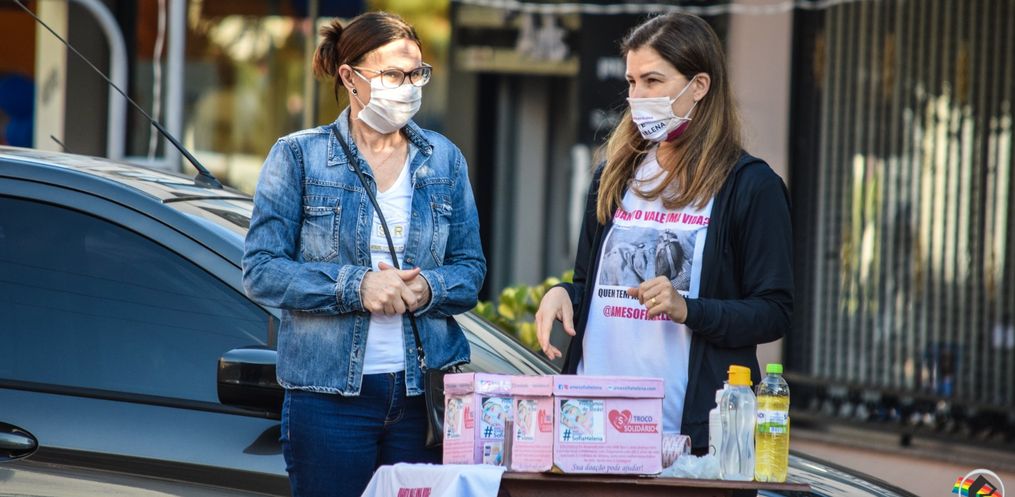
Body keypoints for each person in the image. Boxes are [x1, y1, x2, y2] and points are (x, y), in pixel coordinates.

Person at [242, 11, 485, 497]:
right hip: (328, 398)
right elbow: (262, 271)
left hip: (422, 397)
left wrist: (428, 288)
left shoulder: (444, 159)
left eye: (416, 74)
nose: (408, 87)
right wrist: (358, 286)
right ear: (350, 77)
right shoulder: (299, 156)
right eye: (393, 74)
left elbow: (470, 270)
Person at [535, 12, 793, 455]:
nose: (637, 96)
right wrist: (564, 294)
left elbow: (774, 311)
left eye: (653, 81)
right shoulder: (614, 175)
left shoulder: (750, 186)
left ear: (700, 85)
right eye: (632, 82)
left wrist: (688, 309)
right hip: (591, 423)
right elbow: (591, 285)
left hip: (686, 436)